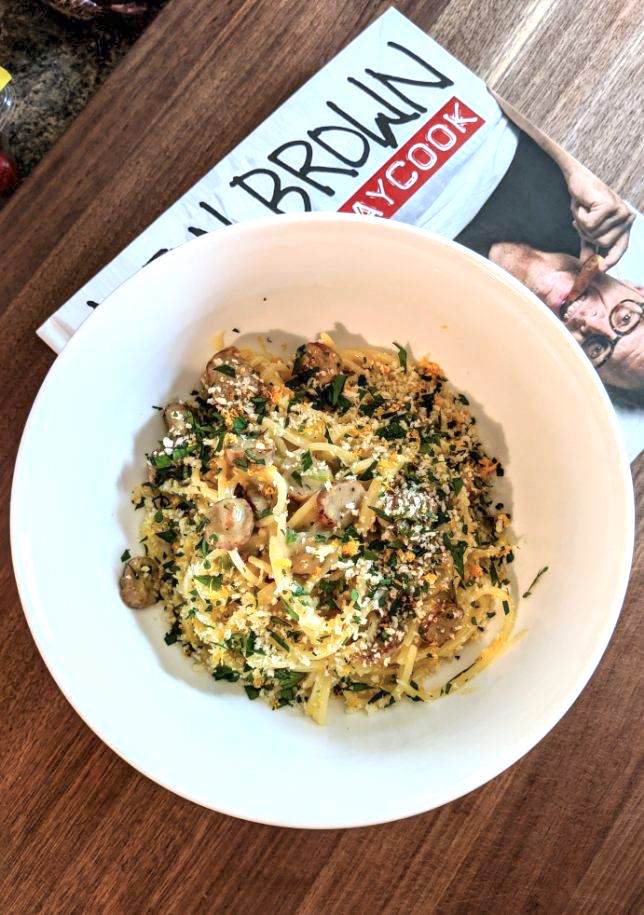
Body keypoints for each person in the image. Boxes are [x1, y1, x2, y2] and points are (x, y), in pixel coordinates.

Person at [488, 244, 644, 392]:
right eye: (626, 318)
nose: (592, 323)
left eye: (596, 350)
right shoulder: (598, 228)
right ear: (637, 290)